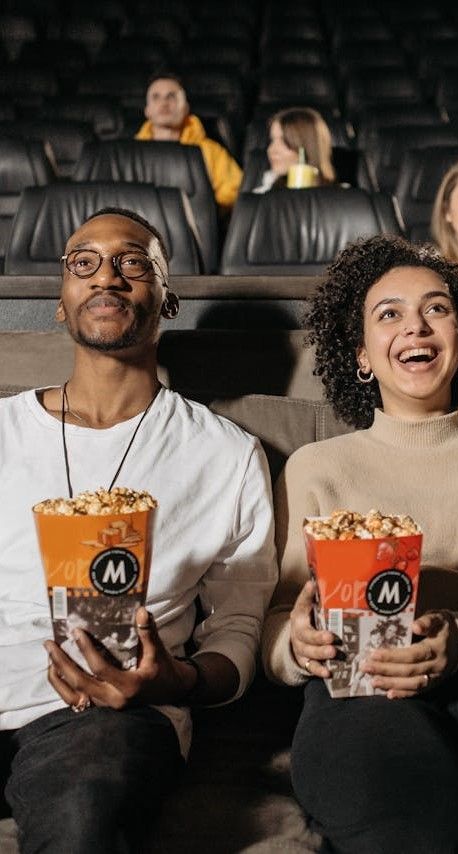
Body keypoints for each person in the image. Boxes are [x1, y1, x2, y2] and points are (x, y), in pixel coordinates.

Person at [0, 207, 277, 852]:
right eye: (84, 262)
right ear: (62, 304)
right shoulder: (4, 432)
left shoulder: (225, 456)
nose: (107, 277)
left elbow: (239, 629)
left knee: (82, 818)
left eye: (133, 261)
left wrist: (173, 681)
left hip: (108, 716)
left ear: (168, 298)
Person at [262, 234, 458, 853]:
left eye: (437, 308)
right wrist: (296, 648)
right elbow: (274, 624)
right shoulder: (314, 467)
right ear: (361, 355)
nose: (417, 326)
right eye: (390, 314)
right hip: (361, 684)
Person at [135, 72, 243, 210]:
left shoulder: (210, 151)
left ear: (185, 108)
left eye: (171, 96)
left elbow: (235, 190)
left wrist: (206, 208)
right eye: (156, 97)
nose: (164, 103)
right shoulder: (131, 153)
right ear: (147, 110)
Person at [252, 107, 336, 193]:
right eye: (272, 140)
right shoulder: (260, 197)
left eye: (285, 141)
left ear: (308, 147)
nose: (271, 150)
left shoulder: (342, 198)